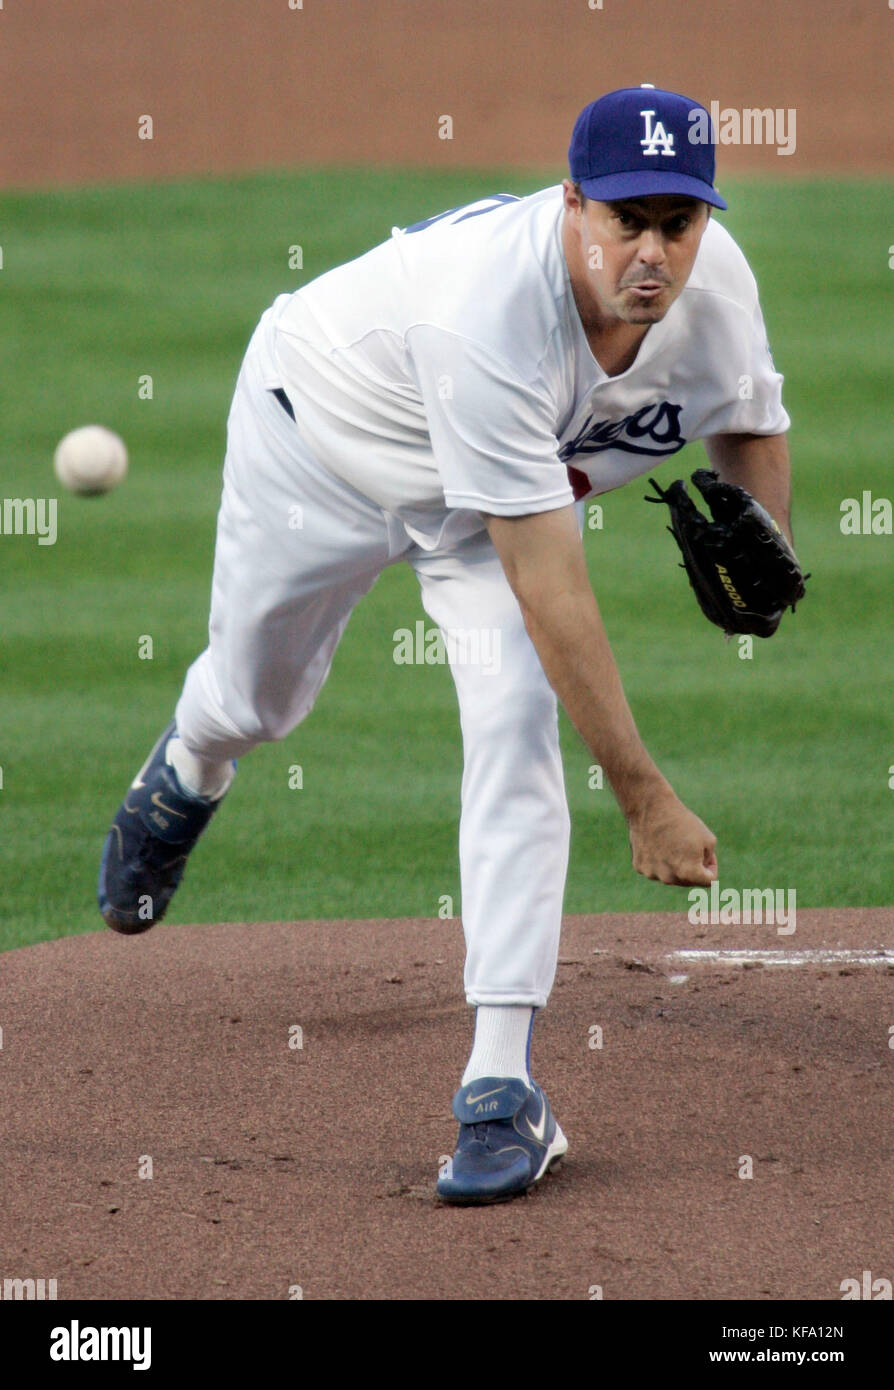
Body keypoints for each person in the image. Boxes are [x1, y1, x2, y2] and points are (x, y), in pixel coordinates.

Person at [98, 86, 795, 1204]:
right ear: (575, 204)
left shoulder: (722, 291)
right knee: (254, 700)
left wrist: (772, 569)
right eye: (628, 219)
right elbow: (556, 589)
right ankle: (189, 767)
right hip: (317, 444)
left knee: (514, 717)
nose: (655, 250)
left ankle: (500, 1083)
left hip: (480, 515)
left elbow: (750, 421)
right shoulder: (491, 313)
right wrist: (644, 795)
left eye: (680, 220)